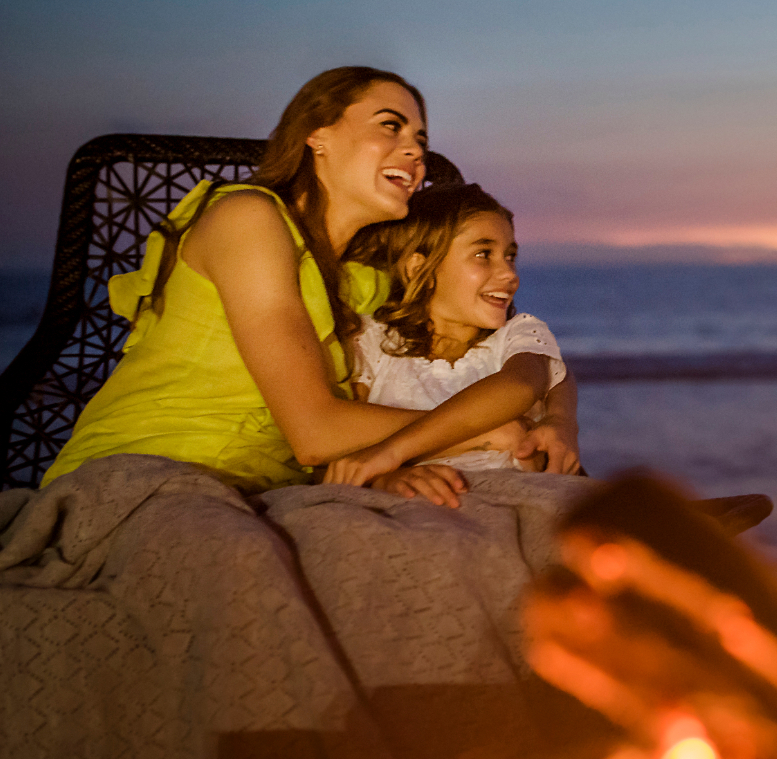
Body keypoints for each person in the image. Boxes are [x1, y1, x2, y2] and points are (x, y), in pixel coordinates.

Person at [43, 67, 530, 492]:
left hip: (277, 496)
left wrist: (555, 420)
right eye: (391, 127)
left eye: (420, 142)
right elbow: (315, 431)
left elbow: (522, 347)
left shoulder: (365, 281)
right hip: (150, 473)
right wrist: (481, 432)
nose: (415, 153)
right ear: (317, 135)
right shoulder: (247, 220)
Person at [324, 182, 581, 509]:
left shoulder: (518, 335)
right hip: (418, 508)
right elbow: (347, 445)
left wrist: (391, 453)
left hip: (513, 500)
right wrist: (384, 477)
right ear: (419, 267)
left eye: (510, 256)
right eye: (483, 254)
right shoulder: (372, 344)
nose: (509, 273)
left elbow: (518, 387)